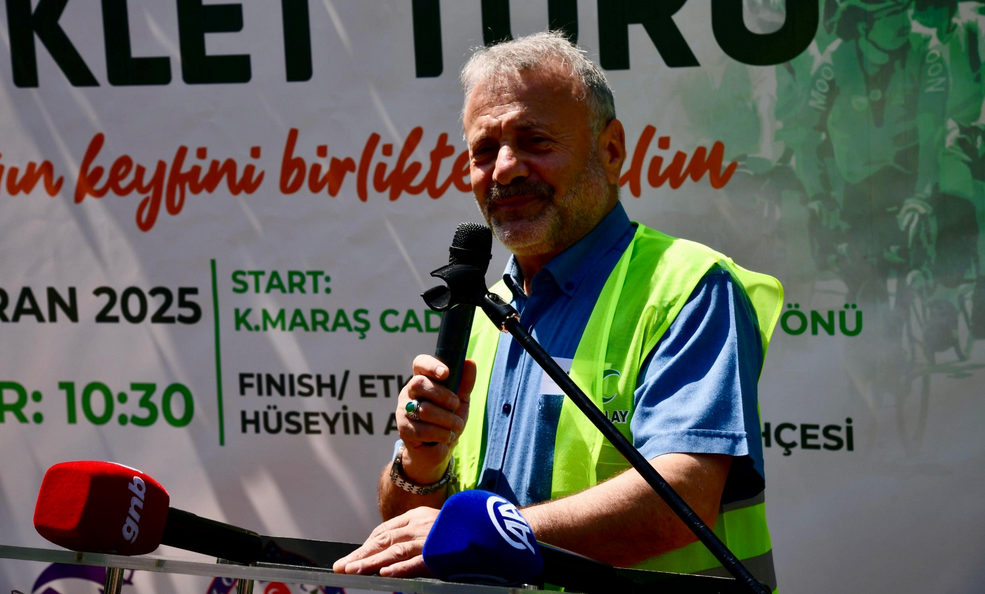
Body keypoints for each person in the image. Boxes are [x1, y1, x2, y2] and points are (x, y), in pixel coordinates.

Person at [333, 31, 782, 590]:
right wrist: (420, 466)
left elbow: (680, 501)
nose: (505, 169)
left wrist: (486, 532)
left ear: (611, 151)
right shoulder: (484, 310)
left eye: (535, 141)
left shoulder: (688, 286)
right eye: (483, 151)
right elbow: (411, 531)